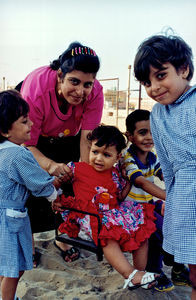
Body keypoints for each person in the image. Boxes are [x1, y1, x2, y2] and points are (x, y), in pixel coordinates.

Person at [17, 41, 104, 265]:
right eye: (74, 81)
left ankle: (63, 239)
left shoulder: (95, 93)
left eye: (87, 84)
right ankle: (30, 242)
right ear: (59, 76)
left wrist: (85, 177)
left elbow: (87, 138)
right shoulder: (36, 89)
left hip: (68, 136)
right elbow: (26, 143)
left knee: (70, 185)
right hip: (33, 139)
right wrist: (50, 166)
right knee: (33, 186)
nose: (80, 91)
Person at [57, 125, 159, 290]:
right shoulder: (77, 169)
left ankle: (140, 274)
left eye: (106, 155)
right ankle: (129, 274)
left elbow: (119, 197)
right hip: (88, 219)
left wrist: (126, 182)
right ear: (90, 149)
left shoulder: (114, 173)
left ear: (117, 157)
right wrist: (55, 198)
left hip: (111, 214)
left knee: (141, 231)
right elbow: (55, 183)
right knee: (108, 236)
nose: (98, 158)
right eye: (95, 152)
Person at [134, 33, 196, 299]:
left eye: (161, 75)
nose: (154, 87)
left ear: (183, 69)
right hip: (183, 194)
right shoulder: (157, 114)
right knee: (194, 271)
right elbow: (167, 166)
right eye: (147, 82)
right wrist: (172, 200)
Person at [0, 90, 61, 300]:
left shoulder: (2, 151)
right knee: (14, 268)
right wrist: (56, 194)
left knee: (5, 263)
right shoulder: (17, 154)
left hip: (3, 216)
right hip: (10, 220)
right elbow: (38, 184)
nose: (32, 125)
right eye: (25, 121)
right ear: (5, 130)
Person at [121, 109, 190, 292]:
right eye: (143, 132)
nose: (149, 138)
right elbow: (141, 182)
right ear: (130, 136)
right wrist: (170, 196)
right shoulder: (128, 159)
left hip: (148, 205)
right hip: (132, 210)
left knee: (175, 222)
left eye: (153, 132)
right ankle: (154, 271)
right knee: (155, 232)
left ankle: (176, 266)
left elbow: (166, 174)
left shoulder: (152, 157)